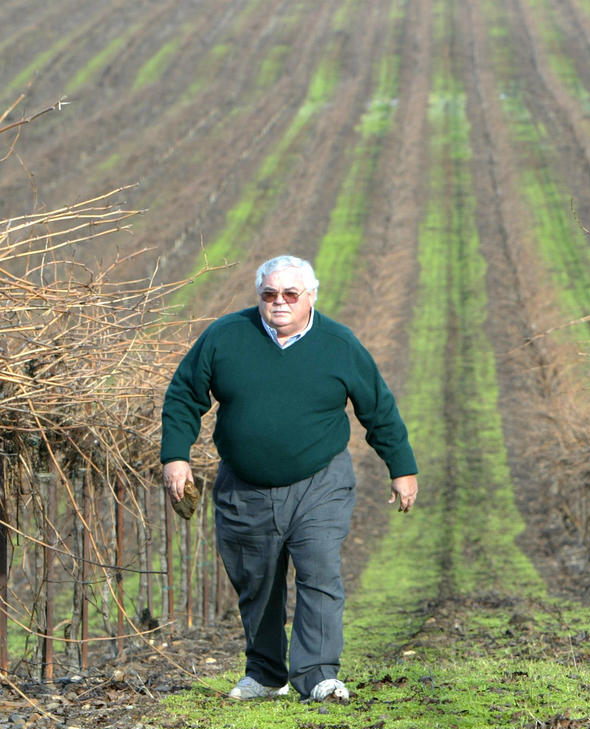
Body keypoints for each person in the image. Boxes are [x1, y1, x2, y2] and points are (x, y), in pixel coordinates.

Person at [160, 255, 418, 703]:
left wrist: (402, 468)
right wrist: (176, 456)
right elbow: (184, 395)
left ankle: (317, 675)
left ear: (310, 297)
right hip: (244, 485)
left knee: (319, 570)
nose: (279, 302)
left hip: (320, 481)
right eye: (269, 294)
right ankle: (265, 674)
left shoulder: (339, 344)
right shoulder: (226, 337)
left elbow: (378, 408)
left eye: (290, 294)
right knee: (255, 580)